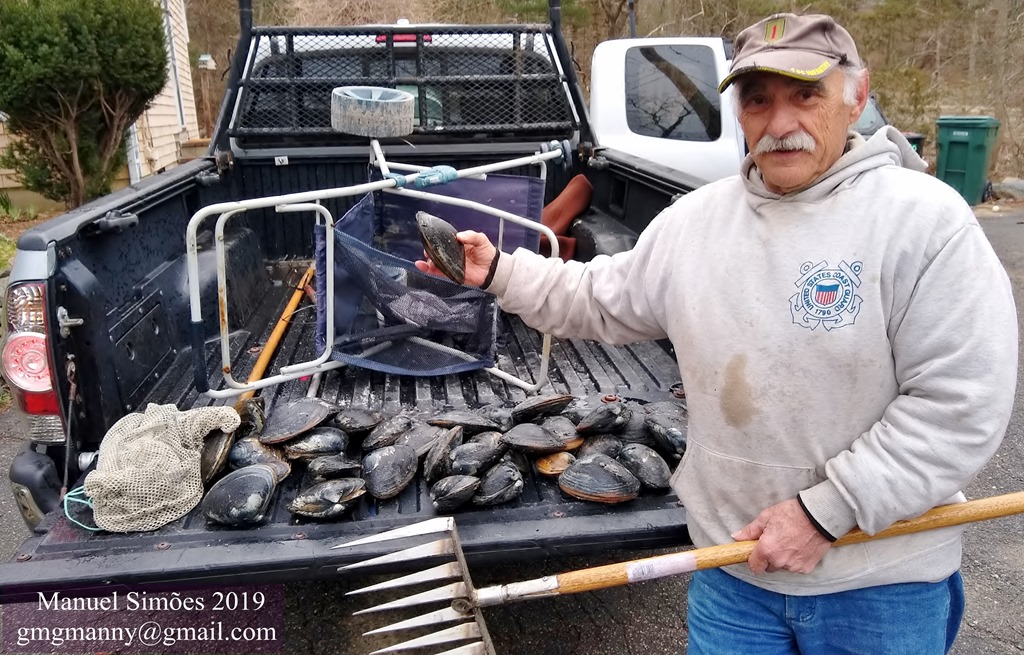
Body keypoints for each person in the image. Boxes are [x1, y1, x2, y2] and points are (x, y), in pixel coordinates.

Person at [416, 12, 1018, 655]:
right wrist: (501, 272)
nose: (779, 123)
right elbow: (599, 298)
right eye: (757, 100)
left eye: (805, 95)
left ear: (856, 96)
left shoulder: (924, 221)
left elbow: (959, 404)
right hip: (733, 573)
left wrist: (826, 512)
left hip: (880, 584)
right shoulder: (696, 220)